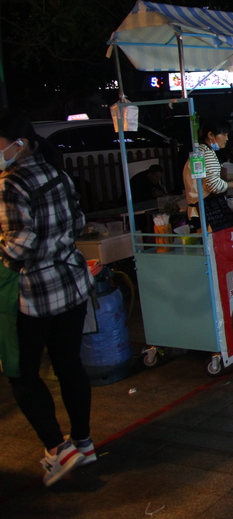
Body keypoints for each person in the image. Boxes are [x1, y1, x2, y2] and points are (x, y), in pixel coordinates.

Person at [0, 112, 96, 486]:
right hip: (71, 284)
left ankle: (58, 449)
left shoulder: (11, 183)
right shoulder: (57, 173)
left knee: (22, 373)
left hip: (35, 294)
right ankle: (84, 443)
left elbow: (19, 246)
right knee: (68, 363)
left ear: (17, 144)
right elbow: (76, 223)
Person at [184, 120, 233, 231]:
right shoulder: (206, 154)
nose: (227, 138)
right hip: (206, 209)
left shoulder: (202, 151)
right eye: (224, 134)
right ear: (210, 135)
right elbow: (214, 186)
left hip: (200, 209)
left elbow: (212, 177)